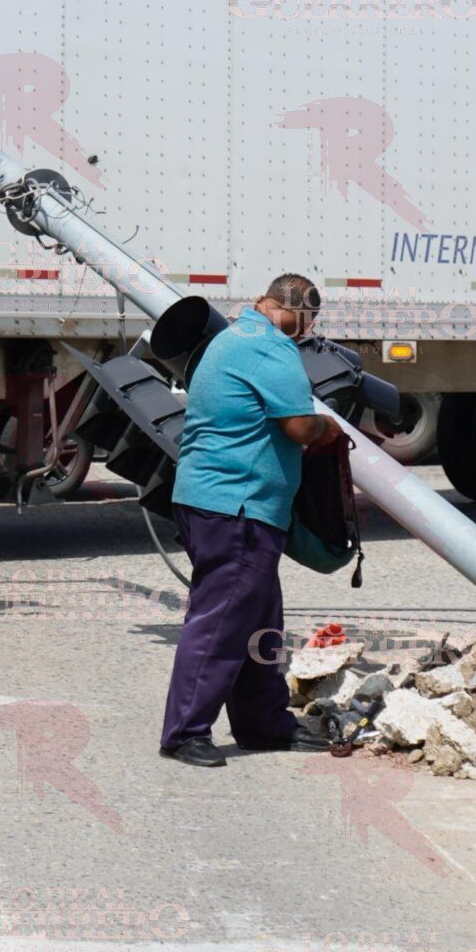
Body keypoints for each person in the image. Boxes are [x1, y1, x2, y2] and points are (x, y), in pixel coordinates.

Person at [158, 273, 344, 767]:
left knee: (260, 621)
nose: (307, 330)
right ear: (302, 312)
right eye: (310, 320)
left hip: (217, 500)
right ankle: (184, 732)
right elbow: (300, 426)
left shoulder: (231, 337)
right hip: (235, 505)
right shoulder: (272, 347)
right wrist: (330, 426)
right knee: (220, 621)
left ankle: (264, 723)